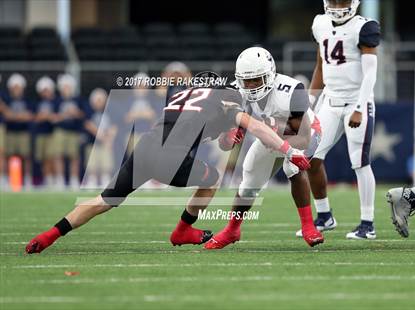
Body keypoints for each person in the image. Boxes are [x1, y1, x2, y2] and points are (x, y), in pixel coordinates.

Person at [25, 85, 311, 254]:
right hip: (169, 156)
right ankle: (182, 231)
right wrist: (289, 150)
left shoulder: (185, 96)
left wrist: (227, 137)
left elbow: (217, 138)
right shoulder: (225, 102)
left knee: (104, 200)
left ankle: (47, 236)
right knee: (212, 178)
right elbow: (258, 127)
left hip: (146, 147)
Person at [204, 47, 324, 250]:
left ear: (270, 75)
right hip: (270, 136)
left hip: (305, 133)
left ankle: (308, 226)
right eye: (246, 81)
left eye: (256, 80)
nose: (250, 86)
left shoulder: (292, 90)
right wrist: (229, 136)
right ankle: (233, 229)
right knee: (249, 177)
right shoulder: (235, 92)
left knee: (292, 168)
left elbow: (302, 138)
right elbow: (224, 145)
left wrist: (279, 139)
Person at [296, 0, 381, 240]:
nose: (337, 5)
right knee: (310, 158)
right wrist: (310, 103)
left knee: (360, 162)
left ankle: (368, 223)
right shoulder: (320, 23)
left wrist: (359, 108)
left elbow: (371, 73)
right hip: (330, 101)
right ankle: (324, 216)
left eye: (341, 1)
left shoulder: (364, 27)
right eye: (333, 0)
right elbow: (320, 66)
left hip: (356, 100)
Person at [52, 74, 84, 189]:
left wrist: (76, 113)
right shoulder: (57, 100)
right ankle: (60, 179)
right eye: (65, 86)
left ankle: (74, 179)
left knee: (74, 156)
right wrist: (65, 114)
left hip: (73, 131)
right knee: (58, 155)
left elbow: (83, 115)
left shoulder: (77, 99)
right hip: (60, 130)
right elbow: (52, 117)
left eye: (68, 86)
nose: (67, 89)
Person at [3, 73, 33, 189]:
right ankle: (6, 178)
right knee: (7, 156)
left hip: (23, 131)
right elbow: (6, 116)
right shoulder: (7, 99)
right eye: (14, 87)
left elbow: (30, 116)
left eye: (18, 87)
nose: (16, 89)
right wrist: (20, 116)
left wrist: (13, 115)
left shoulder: (27, 100)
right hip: (10, 131)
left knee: (26, 156)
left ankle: (28, 179)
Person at [84, 88, 116, 187]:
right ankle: (92, 180)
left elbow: (114, 127)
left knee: (106, 163)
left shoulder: (110, 112)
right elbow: (88, 125)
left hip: (105, 143)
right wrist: (102, 136)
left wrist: (109, 139)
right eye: (97, 100)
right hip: (92, 142)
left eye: (101, 100)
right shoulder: (89, 111)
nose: (99, 102)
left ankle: (105, 179)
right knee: (92, 163)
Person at [34, 76, 57, 187]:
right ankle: (47, 178)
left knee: (51, 157)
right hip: (40, 133)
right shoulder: (37, 102)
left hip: (51, 133)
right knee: (42, 158)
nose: (46, 92)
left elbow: (57, 117)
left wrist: (49, 116)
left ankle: (52, 179)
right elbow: (34, 117)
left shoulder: (55, 102)